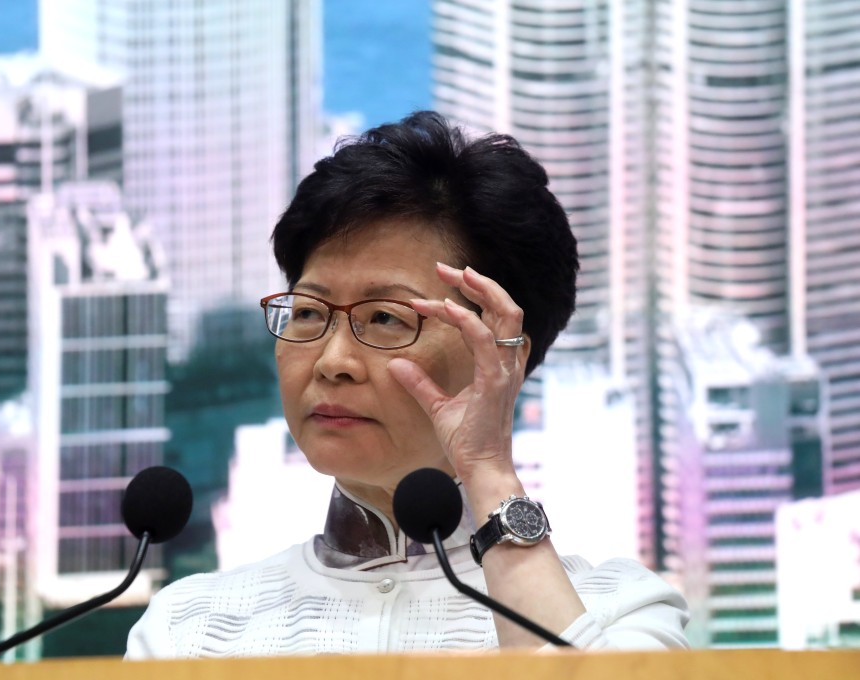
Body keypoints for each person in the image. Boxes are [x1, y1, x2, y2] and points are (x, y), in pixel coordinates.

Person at [127, 111, 689, 657]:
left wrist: (489, 472)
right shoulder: (189, 630)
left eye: (386, 318)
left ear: (501, 349)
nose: (333, 361)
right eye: (308, 312)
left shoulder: (617, 612)